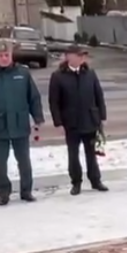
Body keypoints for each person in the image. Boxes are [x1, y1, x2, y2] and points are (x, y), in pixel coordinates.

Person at [0, 37, 44, 205]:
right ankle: (3, 192)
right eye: (0, 55)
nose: (4, 58)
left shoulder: (23, 73)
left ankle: (26, 191)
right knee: (0, 162)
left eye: (7, 54)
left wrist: (37, 117)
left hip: (20, 123)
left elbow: (33, 97)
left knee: (24, 160)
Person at [48, 44, 109, 195]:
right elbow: (54, 102)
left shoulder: (90, 73)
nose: (82, 58)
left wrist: (102, 116)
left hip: (90, 119)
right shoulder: (58, 76)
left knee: (91, 153)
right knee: (73, 155)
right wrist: (59, 123)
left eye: (83, 56)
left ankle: (96, 180)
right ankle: (76, 182)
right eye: (79, 55)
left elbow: (98, 96)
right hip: (71, 123)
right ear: (69, 56)